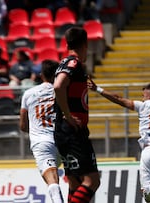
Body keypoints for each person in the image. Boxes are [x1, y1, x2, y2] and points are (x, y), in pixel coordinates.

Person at [88, 80, 150, 203]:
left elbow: (118, 99)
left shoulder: (142, 106)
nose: (142, 98)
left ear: (149, 96)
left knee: (146, 195)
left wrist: (98, 89)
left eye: (143, 96)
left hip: (149, 151)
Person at [53, 26, 100, 203]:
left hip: (63, 131)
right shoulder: (74, 63)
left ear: (66, 44)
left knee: (74, 182)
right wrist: (68, 114)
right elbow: (58, 86)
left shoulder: (63, 63)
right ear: (85, 44)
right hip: (73, 131)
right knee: (92, 181)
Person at [19, 59, 64, 203]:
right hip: (63, 140)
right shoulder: (62, 91)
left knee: (52, 180)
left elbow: (23, 125)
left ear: (41, 75)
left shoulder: (28, 93)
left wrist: (34, 131)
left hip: (42, 142)